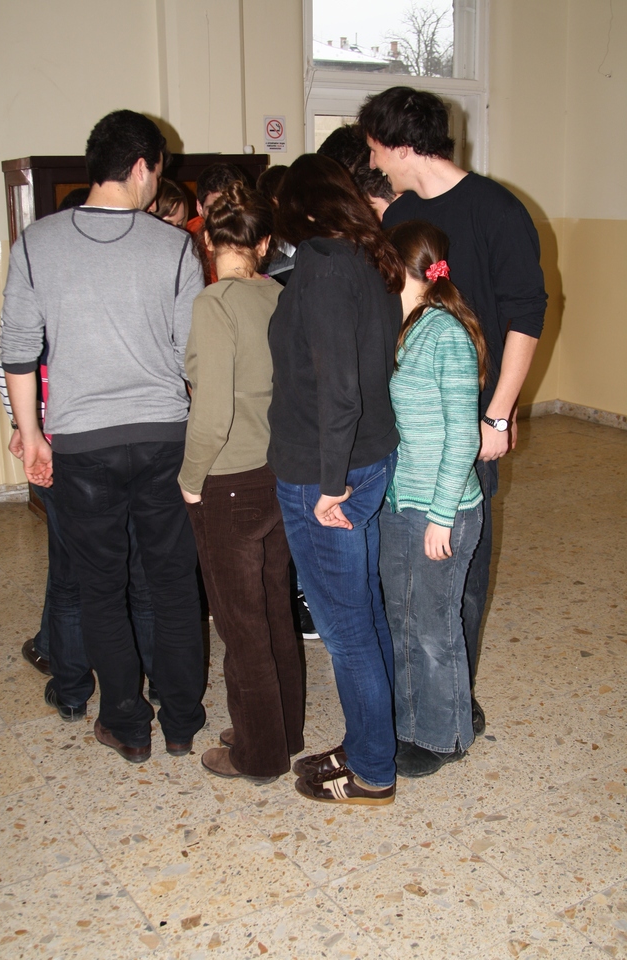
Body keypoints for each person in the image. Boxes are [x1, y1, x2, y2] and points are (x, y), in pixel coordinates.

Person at [0, 109, 206, 763]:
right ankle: (182, 722)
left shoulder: (36, 243)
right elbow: (193, 358)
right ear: (142, 167)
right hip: (164, 437)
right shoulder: (175, 247)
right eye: (158, 173)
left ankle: (127, 724)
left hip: (82, 444)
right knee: (172, 582)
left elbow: (17, 351)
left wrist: (32, 436)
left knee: (100, 585)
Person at [358, 87, 547, 734]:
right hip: (408, 422)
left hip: (471, 418)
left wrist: (497, 413)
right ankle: (420, 693)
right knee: (411, 569)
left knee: (458, 565)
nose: (372, 161)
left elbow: (526, 315)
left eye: (376, 148)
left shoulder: (497, 209)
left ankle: (453, 699)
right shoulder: (401, 214)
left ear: (402, 146)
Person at [267, 154, 404, 805]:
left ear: (299, 206)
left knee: (347, 633)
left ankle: (373, 771)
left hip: (327, 475)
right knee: (364, 614)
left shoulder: (322, 263)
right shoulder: (368, 257)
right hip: (367, 459)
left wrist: (328, 485)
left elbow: (340, 390)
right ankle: (368, 741)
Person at [179, 183, 304, 783]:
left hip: (229, 478)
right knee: (275, 608)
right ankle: (283, 728)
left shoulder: (215, 304)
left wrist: (190, 478)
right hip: (279, 472)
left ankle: (258, 753)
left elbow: (211, 413)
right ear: (265, 242)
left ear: (208, 240)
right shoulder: (279, 295)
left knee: (240, 623)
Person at [380, 220, 488, 777]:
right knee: (401, 619)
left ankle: (445, 736)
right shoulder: (408, 326)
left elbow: (464, 436)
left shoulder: (444, 332)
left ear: (398, 266)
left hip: (441, 509)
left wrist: (442, 517)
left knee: (433, 627)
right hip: (404, 503)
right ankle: (410, 724)